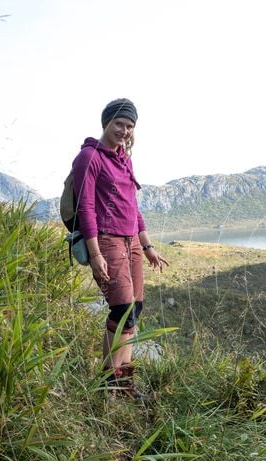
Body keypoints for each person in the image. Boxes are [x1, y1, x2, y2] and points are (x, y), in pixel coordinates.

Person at [71, 98, 169, 398]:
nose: (124, 130)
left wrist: (147, 244)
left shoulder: (124, 159)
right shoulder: (89, 157)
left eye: (129, 126)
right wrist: (96, 254)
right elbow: (85, 207)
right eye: (119, 124)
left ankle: (123, 383)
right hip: (106, 240)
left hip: (132, 243)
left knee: (134, 311)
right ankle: (108, 385)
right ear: (106, 123)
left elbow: (132, 206)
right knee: (122, 309)